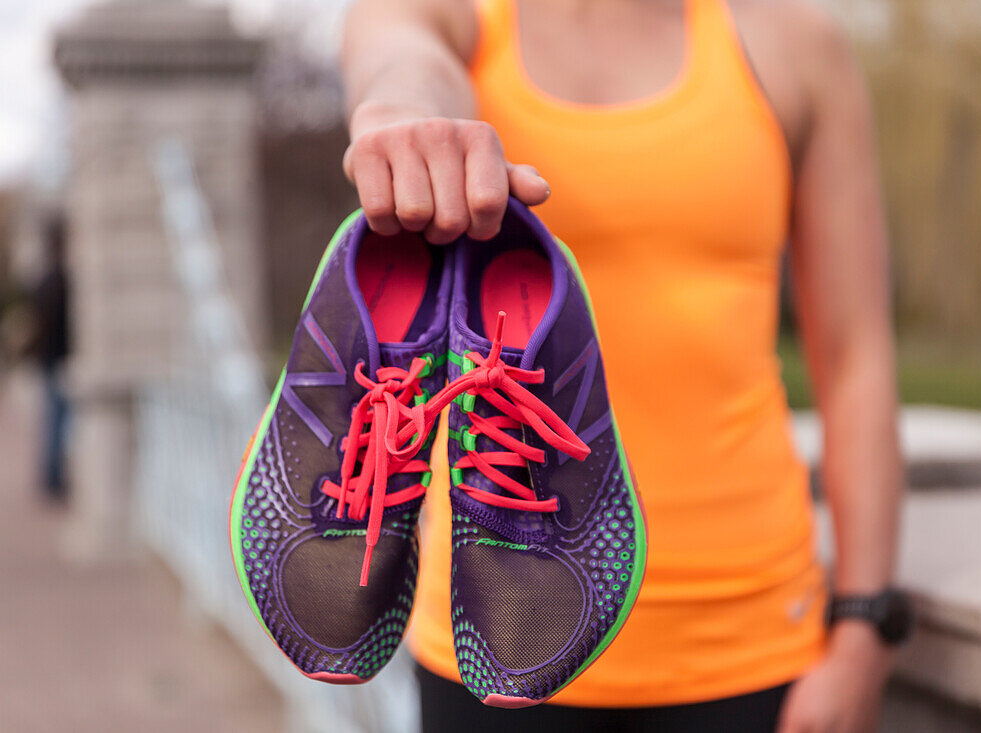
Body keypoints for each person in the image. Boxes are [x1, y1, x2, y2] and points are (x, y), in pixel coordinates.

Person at [341, 0, 905, 730]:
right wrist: (404, 114)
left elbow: (856, 355)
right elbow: (403, 57)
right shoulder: (452, 14)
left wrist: (864, 631)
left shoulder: (794, 43)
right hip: (494, 637)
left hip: (746, 636)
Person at [31, 215, 71, 503]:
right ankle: (53, 478)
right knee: (58, 420)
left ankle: (50, 476)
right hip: (58, 359)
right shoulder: (59, 280)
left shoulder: (43, 280)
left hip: (47, 358)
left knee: (51, 419)